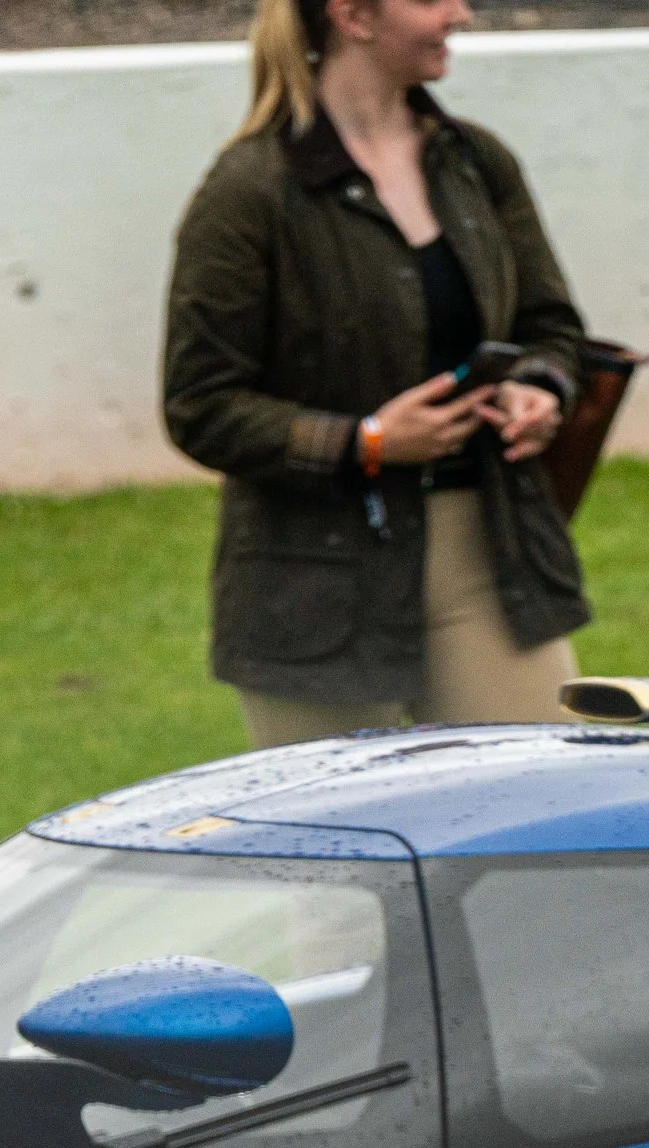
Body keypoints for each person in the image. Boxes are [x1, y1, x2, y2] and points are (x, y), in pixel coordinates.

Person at [162, 0, 589, 744]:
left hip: (490, 557)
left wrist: (540, 387)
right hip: (315, 589)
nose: (461, 14)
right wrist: (363, 441)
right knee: (339, 851)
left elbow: (550, 328)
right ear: (354, 16)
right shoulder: (249, 192)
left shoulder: (475, 163)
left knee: (540, 815)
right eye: (433, 0)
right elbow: (200, 404)